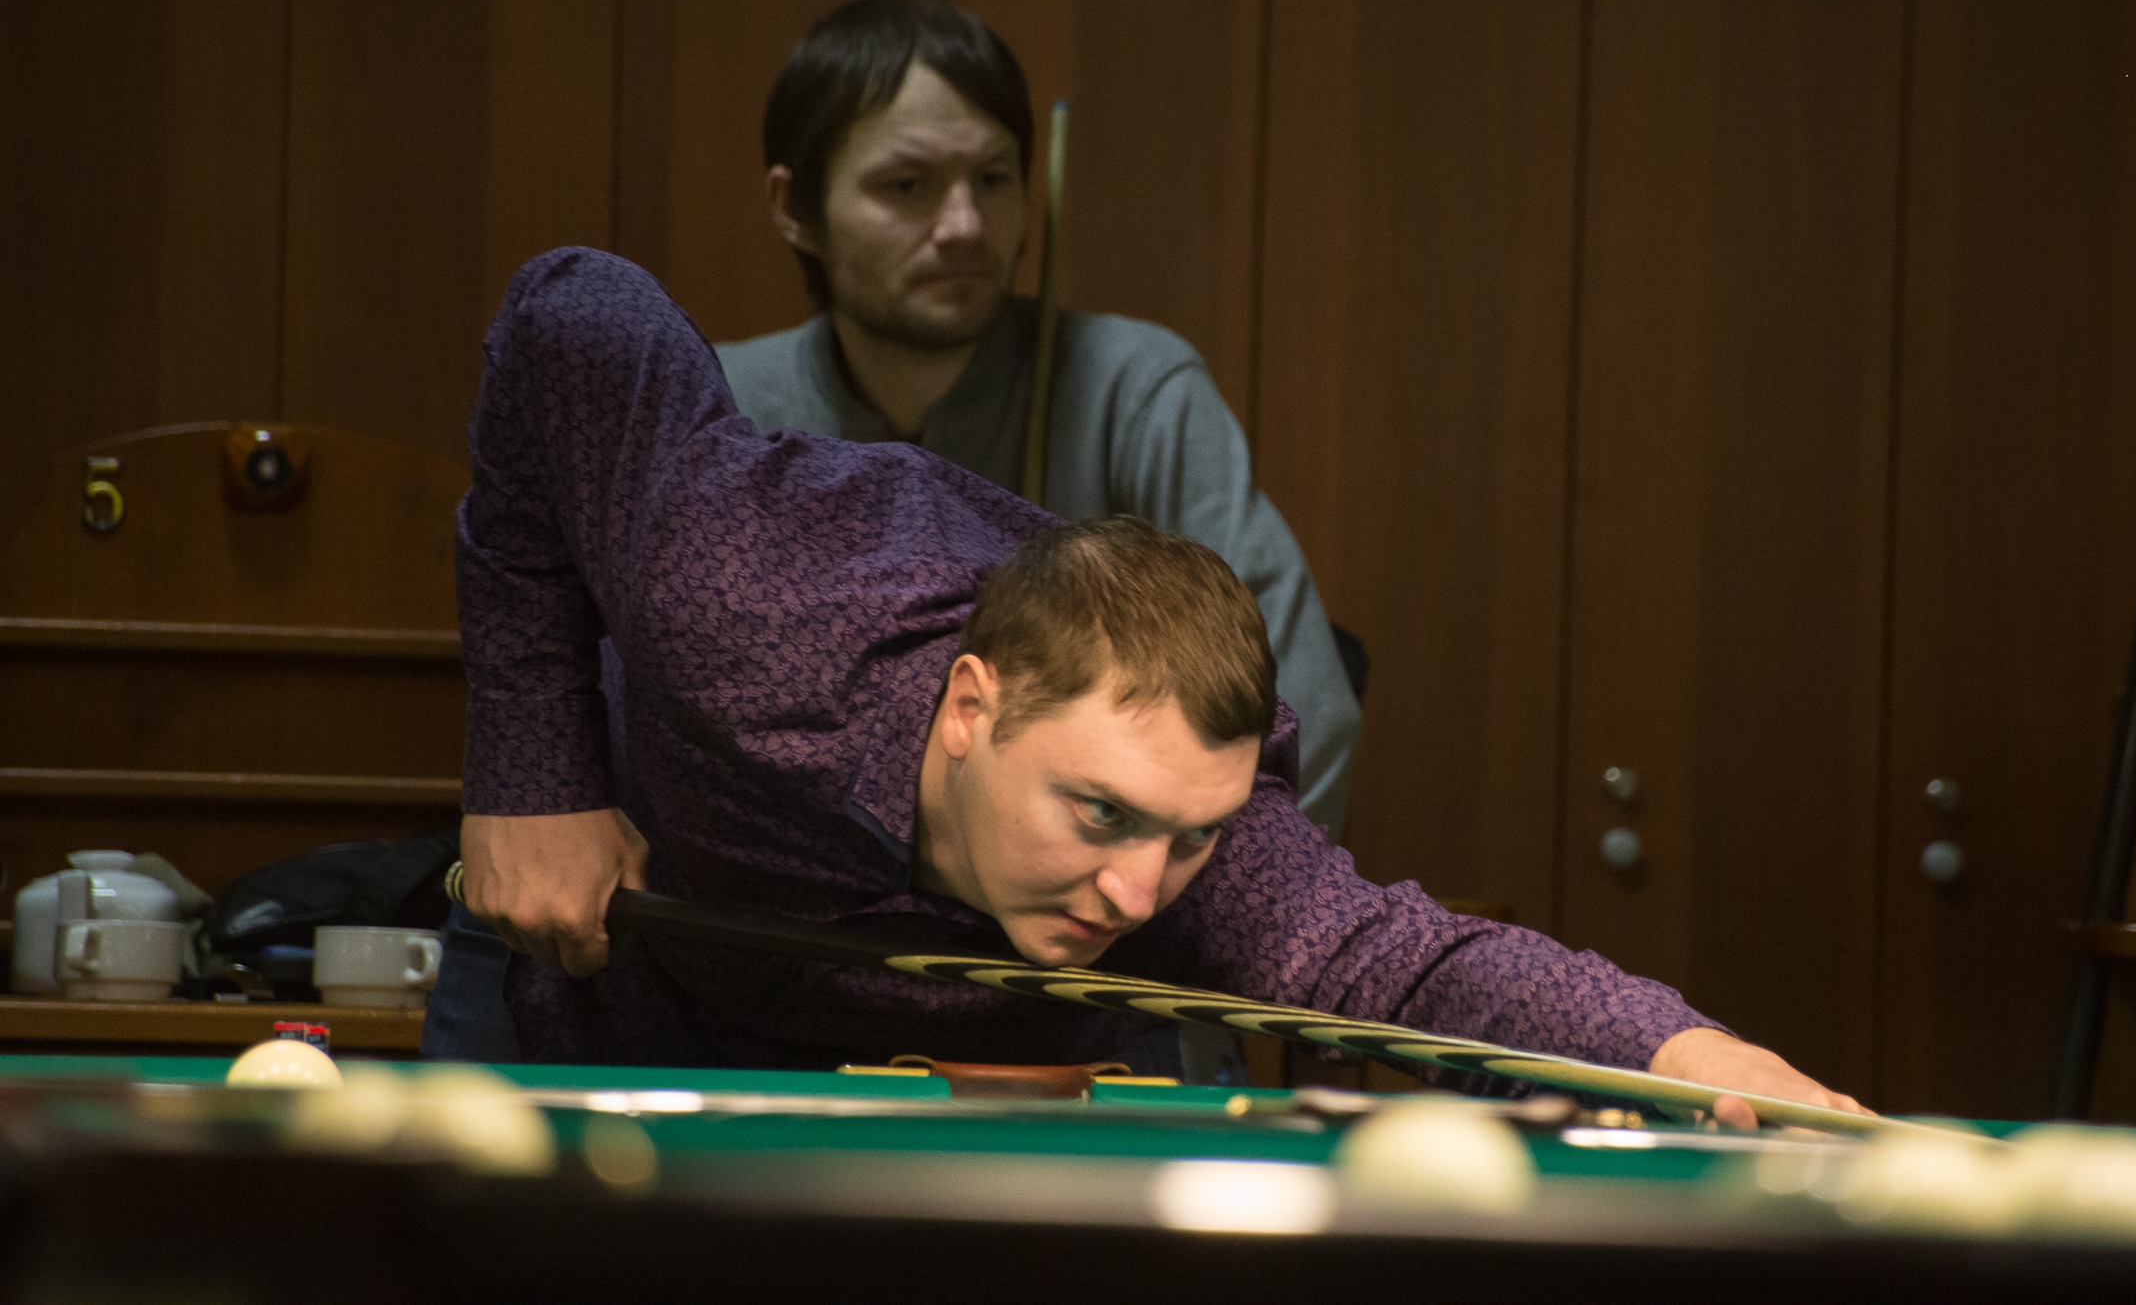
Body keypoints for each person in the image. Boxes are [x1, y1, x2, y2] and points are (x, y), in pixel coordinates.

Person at [452, 247, 1863, 1124]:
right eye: (1099, 812)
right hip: (622, 1001)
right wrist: (535, 772)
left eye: (1187, 836)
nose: (1138, 890)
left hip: (979, 1097)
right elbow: (571, 307)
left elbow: (1412, 965)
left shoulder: (1201, 847)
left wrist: (1683, 1050)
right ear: (971, 708)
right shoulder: (747, 595)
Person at [719, 0, 1358, 841]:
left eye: (993, 179)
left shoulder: (1132, 389)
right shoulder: (722, 407)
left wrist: (1146, 891)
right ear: (793, 208)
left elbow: (1308, 709)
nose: (964, 224)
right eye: (907, 185)